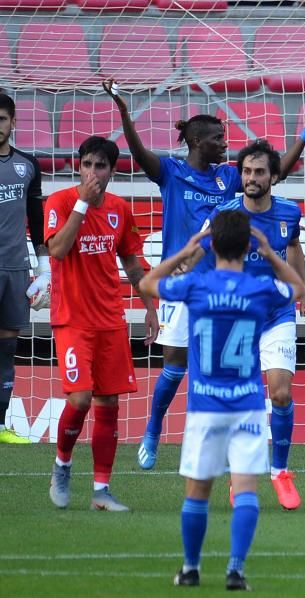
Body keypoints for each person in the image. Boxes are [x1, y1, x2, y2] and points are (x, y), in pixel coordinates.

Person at [100, 78, 305, 471]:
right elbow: (137, 153)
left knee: (219, 371)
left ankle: (232, 451)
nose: (226, 143)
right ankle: (153, 429)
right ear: (197, 142)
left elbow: (276, 172)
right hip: (182, 280)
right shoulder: (170, 171)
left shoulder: (229, 178)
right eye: (219, 138)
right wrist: (123, 111)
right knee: (175, 363)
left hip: (221, 281)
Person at [139, 211, 305, 590]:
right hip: (246, 405)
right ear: (249, 246)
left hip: (205, 407)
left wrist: (186, 250)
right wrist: (272, 253)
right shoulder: (259, 289)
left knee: (198, 493)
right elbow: (297, 290)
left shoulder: (197, 285)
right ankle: (235, 569)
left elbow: (149, 283)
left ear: (211, 244)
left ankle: (191, 568)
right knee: (246, 489)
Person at [192, 139, 305, 510]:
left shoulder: (289, 213)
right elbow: (201, 255)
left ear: (273, 177)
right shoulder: (226, 215)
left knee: (280, 393)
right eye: (246, 171)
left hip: (277, 312)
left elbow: (293, 248)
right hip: (236, 318)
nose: (251, 177)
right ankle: (241, 473)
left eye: (259, 171)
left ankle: (280, 470)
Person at [45, 136, 158, 511]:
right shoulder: (60, 202)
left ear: (113, 170)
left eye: (101, 166)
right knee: (79, 399)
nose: (93, 172)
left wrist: (150, 308)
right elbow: (57, 250)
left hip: (110, 319)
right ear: (79, 166)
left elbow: (131, 263)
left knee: (108, 402)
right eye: (88, 164)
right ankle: (62, 464)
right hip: (72, 319)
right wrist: (82, 204)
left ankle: (101, 491)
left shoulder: (120, 209)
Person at [0, 92, 48, 444]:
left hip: (16, 269)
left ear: (13, 122)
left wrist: (44, 270)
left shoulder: (28, 165)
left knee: (7, 349)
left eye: (2, 119)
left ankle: (0, 425)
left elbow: (36, 221)